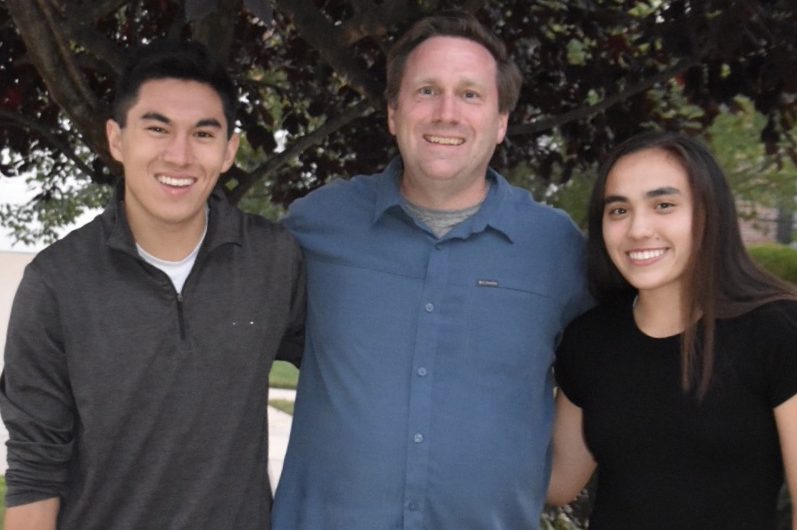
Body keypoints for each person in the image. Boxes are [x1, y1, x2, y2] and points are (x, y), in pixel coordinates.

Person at [273, 11, 592, 530]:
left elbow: (619, 359)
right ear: (394, 113)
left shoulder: (556, 249)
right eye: (426, 90)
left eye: (470, 94)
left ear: (501, 121)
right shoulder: (316, 226)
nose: (447, 112)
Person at [0, 40, 305, 529]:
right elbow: (36, 473)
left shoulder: (273, 261)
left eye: (203, 133)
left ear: (228, 151)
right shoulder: (55, 282)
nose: (179, 155)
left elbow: (346, 372)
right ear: (117, 140)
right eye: (157, 128)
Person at [548, 130, 797, 529]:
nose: (638, 229)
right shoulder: (590, 340)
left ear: (708, 213)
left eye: (663, 205)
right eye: (618, 210)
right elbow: (558, 482)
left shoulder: (779, 330)